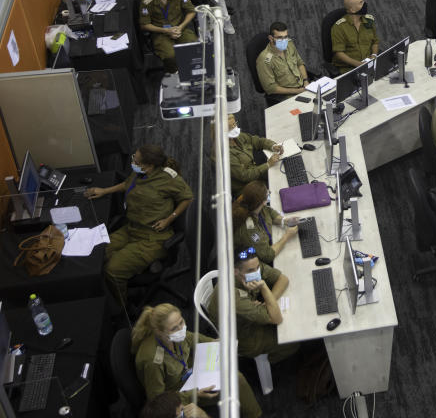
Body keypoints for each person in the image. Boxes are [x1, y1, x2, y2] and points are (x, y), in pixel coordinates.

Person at [85, 146, 192, 304]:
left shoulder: (168, 178)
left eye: (136, 159)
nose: (133, 161)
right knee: (98, 253)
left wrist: (169, 219)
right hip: (131, 228)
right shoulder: (139, 173)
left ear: (149, 165)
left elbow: (187, 197)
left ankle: (123, 307)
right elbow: (127, 184)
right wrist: (105, 191)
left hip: (153, 238)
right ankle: (115, 289)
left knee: (112, 271)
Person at [132, 304, 261, 418]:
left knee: (235, 376)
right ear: (159, 332)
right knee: (236, 380)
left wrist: (216, 344)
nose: (180, 329)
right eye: (174, 328)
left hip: (193, 373)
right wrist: (195, 394)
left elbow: (197, 338)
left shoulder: (175, 333)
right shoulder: (152, 361)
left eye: (181, 322)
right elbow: (158, 402)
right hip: (178, 393)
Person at [208, 246, 299, 363]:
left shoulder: (250, 266)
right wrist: (264, 287)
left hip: (250, 318)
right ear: (235, 271)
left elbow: (283, 279)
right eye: (251, 271)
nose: (256, 272)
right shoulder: (232, 296)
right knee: (292, 341)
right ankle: (273, 363)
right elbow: (277, 319)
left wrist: (268, 302)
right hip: (245, 337)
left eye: (257, 267)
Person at [139, 0, 197, 75]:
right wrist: (165, 30)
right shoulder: (147, 0)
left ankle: (193, 70)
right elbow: (144, 25)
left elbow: (191, 11)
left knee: (193, 46)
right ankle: (175, 74)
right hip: (161, 32)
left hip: (180, 28)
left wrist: (180, 27)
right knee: (170, 56)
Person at [232, 181, 298, 266]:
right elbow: (267, 255)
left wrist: (284, 221)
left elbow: (268, 211)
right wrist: (287, 236)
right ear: (263, 201)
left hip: (262, 247)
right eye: (267, 194)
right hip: (247, 262)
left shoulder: (252, 205)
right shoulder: (248, 229)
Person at [225, 113, 282, 194]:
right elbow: (244, 176)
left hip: (256, 173)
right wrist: (268, 164)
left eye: (234, 124)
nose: (234, 128)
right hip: (246, 187)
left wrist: (273, 146)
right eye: (230, 127)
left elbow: (257, 141)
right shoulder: (225, 154)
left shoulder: (237, 137)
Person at [256, 21, 309, 105]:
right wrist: (298, 91)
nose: (284, 41)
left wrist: (306, 81)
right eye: (280, 38)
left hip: (303, 87)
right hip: (287, 96)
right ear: (271, 38)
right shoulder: (264, 59)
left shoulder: (289, 44)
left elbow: (299, 62)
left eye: (285, 37)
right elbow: (270, 88)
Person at [331, 0, 379, 74]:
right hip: (349, 68)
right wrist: (359, 65)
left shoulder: (369, 20)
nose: (365, 4)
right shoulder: (339, 27)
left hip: (368, 62)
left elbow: (375, 42)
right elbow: (339, 53)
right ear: (352, 10)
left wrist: (374, 55)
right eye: (361, 3)